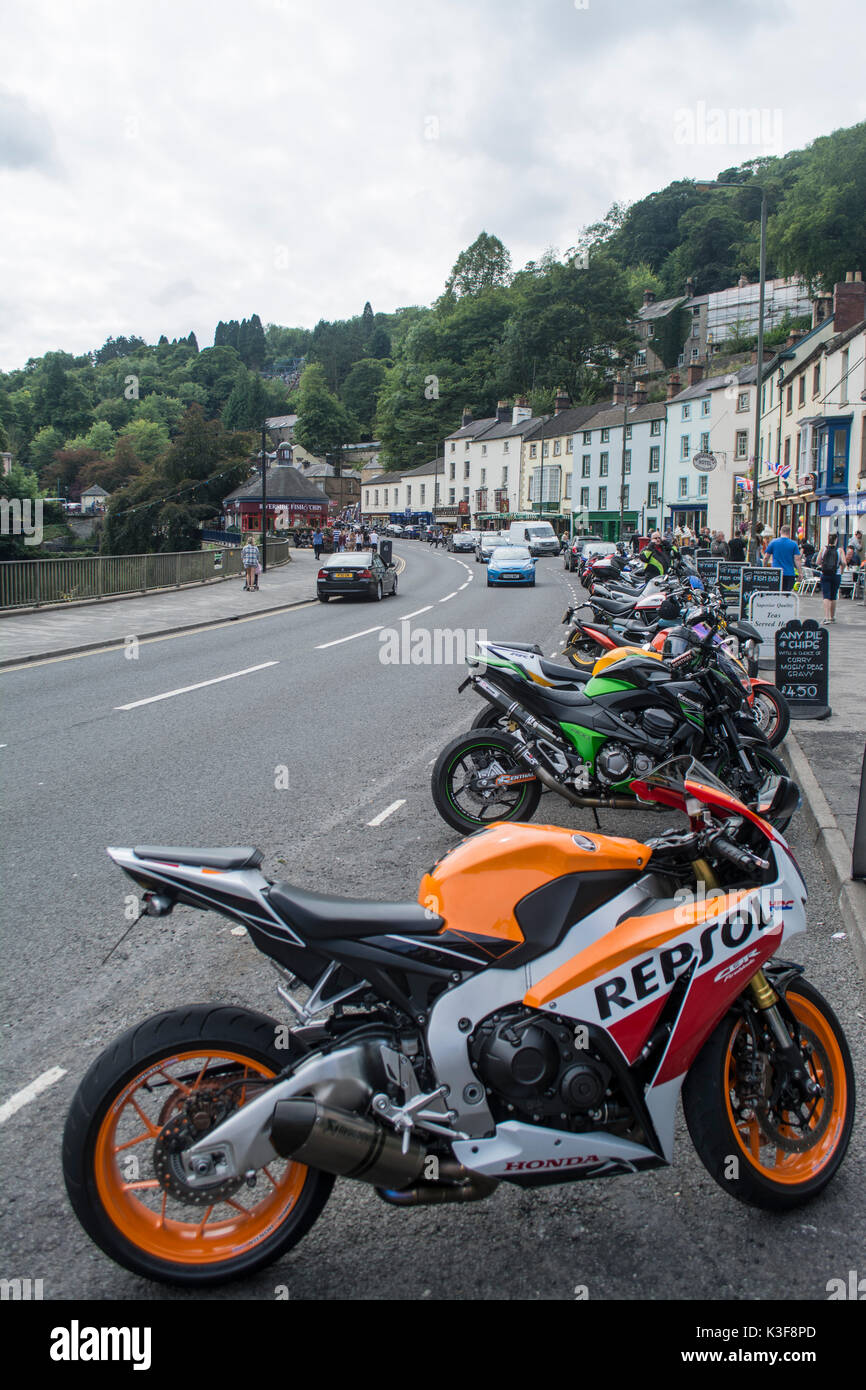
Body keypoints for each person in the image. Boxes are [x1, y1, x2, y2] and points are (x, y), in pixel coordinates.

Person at [763, 524, 803, 594]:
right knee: (786, 595)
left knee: (776, 593)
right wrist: (800, 572)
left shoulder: (773, 542)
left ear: (780, 531)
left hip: (776, 572)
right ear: (789, 532)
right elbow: (797, 559)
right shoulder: (793, 544)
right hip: (789, 573)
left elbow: (766, 557)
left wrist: (764, 568)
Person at [816, 533, 844, 622]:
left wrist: (824, 564)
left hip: (825, 574)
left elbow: (817, 562)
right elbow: (844, 562)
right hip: (836, 574)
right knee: (833, 595)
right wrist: (841, 569)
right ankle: (832, 617)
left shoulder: (823, 549)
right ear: (836, 540)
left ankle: (826, 617)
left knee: (826, 595)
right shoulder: (840, 550)